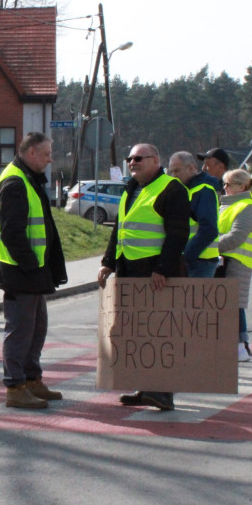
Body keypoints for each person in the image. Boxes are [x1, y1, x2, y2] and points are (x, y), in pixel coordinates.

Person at [97, 143, 189, 411]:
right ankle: (144, 386)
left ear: (155, 160)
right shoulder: (132, 188)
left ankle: (162, 391)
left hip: (154, 273)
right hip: (129, 270)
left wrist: (163, 268)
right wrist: (108, 262)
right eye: (129, 159)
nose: (132, 162)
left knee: (158, 332)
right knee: (134, 332)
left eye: (138, 158)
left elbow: (177, 233)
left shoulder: (172, 189)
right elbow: (120, 228)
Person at [0, 132, 68, 409]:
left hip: (30, 272)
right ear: (31, 153)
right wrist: (31, 265)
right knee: (21, 332)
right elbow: (13, 233)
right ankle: (15, 386)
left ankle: (32, 379)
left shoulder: (27, 178)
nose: (50, 159)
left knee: (36, 328)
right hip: (20, 272)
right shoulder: (15, 182)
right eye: (47, 154)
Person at [218, 168, 252, 363]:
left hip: (237, 262)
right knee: (228, 305)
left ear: (243, 186)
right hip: (223, 260)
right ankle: (233, 347)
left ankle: (239, 349)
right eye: (224, 184)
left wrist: (207, 247)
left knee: (233, 305)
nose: (225, 188)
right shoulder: (227, 206)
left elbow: (236, 237)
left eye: (229, 184)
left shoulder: (247, 207)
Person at [167, 151, 220, 278]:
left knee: (194, 298)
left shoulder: (203, 190)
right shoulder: (187, 189)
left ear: (191, 168)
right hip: (194, 259)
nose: (173, 176)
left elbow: (209, 229)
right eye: (171, 172)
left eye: (177, 171)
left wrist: (186, 256)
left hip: (200, 260)